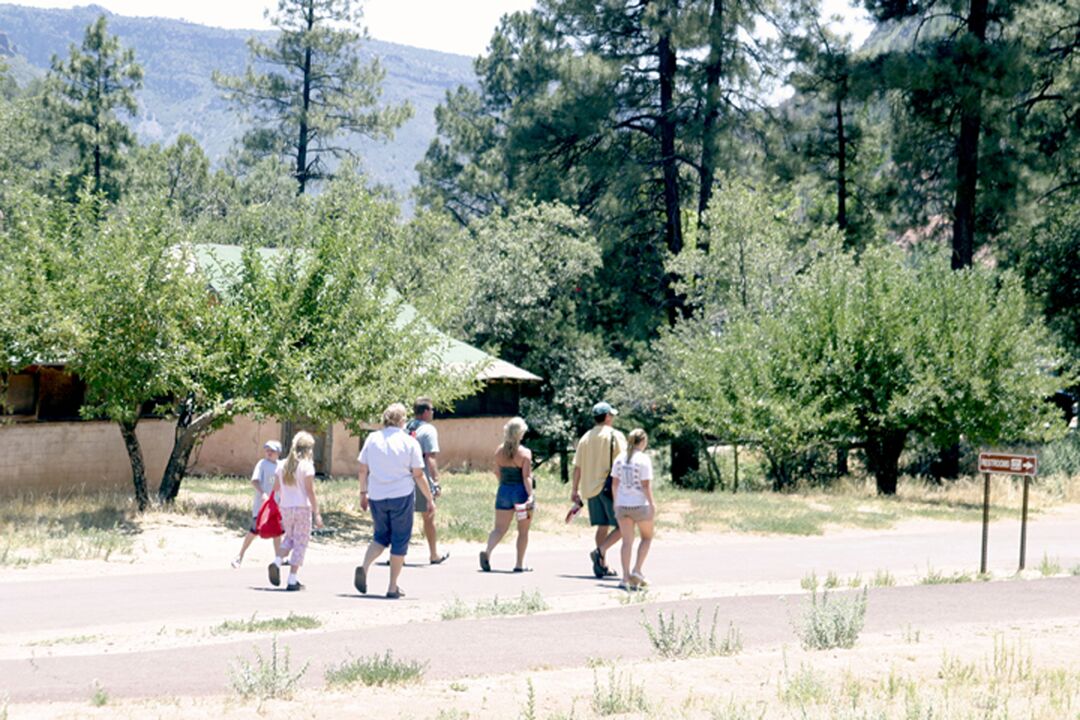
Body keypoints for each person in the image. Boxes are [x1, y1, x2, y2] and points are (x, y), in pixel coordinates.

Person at [354, 403, 437, 599]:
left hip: (377, 495)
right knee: (400, 541)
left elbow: (362, 469)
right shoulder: (409, 442)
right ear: (402, 420)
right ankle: (392, 586)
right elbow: (418, 474)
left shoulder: (372, 439)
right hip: (401, 495)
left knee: (380, 537)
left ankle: (365, 566)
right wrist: (429, 497)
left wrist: (362, 493)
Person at [572, 401, 627, 579]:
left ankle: (602, 565)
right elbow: (624, 462)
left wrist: (574, 490)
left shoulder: (585, 438)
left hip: (590, 489)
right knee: (624, 526)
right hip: (609, 487)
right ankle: (600, 551)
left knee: (602, 526)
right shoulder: (614, 436)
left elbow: (577, 467)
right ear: (608, 417)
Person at [267, 432, 323, 591]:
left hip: (285, 507)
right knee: (301, 542)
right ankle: (292, 579)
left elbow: (275, 486)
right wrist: (316, 512)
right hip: (302, 507)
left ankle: (277, 561)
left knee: (289, 538)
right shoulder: (307, 466)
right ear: (308, 449)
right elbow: (310, 491)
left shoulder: (281, 465)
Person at [480, 417, 535, 573]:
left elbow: (497, 472)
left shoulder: (499, 451)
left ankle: (488, 551)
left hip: (504, 491)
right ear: (520, 434)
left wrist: (503, 485)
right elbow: (526, 477)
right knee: (523, 531)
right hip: (520, 492)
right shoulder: (525, 453)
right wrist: (530, 496)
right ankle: (519, 564)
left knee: (499, 528)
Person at [611, 428, 656, 590]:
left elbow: (614, 483)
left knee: (626, 542)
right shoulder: (643, 459)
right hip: (640, 504)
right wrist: (652, 504)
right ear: (642, 441)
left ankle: (624, 576)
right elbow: (646, 485)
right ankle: (637, 570)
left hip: (623, 504)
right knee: (647, 537)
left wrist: (616, 502)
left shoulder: (620, 458)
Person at [406, 397, 449, 564]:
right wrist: (435, 482)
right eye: (431, 410)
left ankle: (397, 553)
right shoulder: (428, 430)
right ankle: (433, 554)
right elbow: (430, 457)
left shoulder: (406, 427)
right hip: (421, 477)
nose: (433, 413)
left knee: (404, 517)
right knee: (429, 516)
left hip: (404, 476)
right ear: (425, 412)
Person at [232, 440, 283, 568]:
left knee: (277, 532)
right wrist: (263, 493)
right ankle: (240, 556)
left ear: (278, 452)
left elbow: (280, 483)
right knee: (254, 531)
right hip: (262, 505)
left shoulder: (281, 466)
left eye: (272, 450)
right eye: (267, 450)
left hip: (276, 505)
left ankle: (279, 559)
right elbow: (255, 481)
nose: (269, 453)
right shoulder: (262, 464)